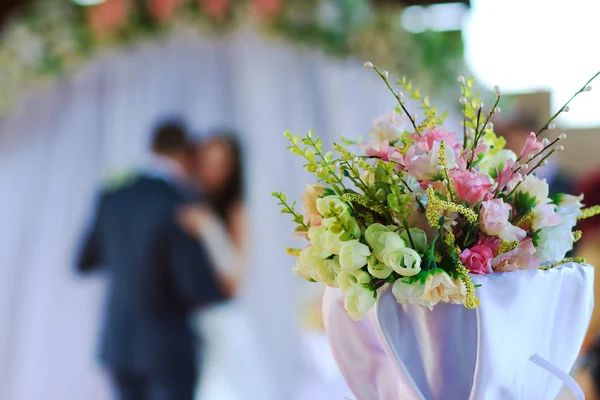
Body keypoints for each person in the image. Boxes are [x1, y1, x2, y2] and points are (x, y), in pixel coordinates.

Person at [76, 122, 230, 400]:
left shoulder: (112, 194)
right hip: (167, 346)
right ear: (185, 154)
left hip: (119, 342)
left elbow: (84, 261)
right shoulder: (179, 201)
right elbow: (191, 284)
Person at [177, 134, 274, 400]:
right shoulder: (187, 202)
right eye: (207, 162)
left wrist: (210, 230)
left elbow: (234, 279)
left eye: (221, 164)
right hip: (188, 324)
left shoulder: (235, 209)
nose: (212, 171)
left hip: (221, 322)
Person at [494, 110, 573, 196]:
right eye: (510, 147)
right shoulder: (504, 184)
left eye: (517, 145)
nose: (514, 154)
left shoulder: (563, 185)